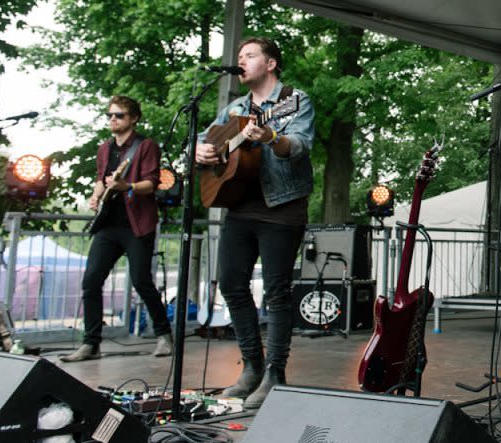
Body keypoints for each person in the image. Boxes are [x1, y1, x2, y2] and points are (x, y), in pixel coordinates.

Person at [195, 37, 314, 408]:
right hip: (240, 206)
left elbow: (298, 145)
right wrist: (199, 150)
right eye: (239, 57)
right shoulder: (235, 108)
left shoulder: (295, 100)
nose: (240, 61)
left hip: (281, 207)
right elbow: (207, 140)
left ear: (271, 63)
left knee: (277, 292)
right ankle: (251, 367)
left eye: (248, 56)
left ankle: (274, 373)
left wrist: (271, 136)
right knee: (231, 284)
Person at [62, 96, 173, 362]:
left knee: (141, 281)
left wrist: (129, 187)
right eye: (110, 115)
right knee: (91, 281)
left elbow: (152, 183)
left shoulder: (146, 146)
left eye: (119, 115)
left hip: (137, 225)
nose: (113, 119)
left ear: (134, 118)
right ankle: (91, 343)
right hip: (108, 225)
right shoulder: (104, 149)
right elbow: (102, 180)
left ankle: (163, 335)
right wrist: (95, 197)